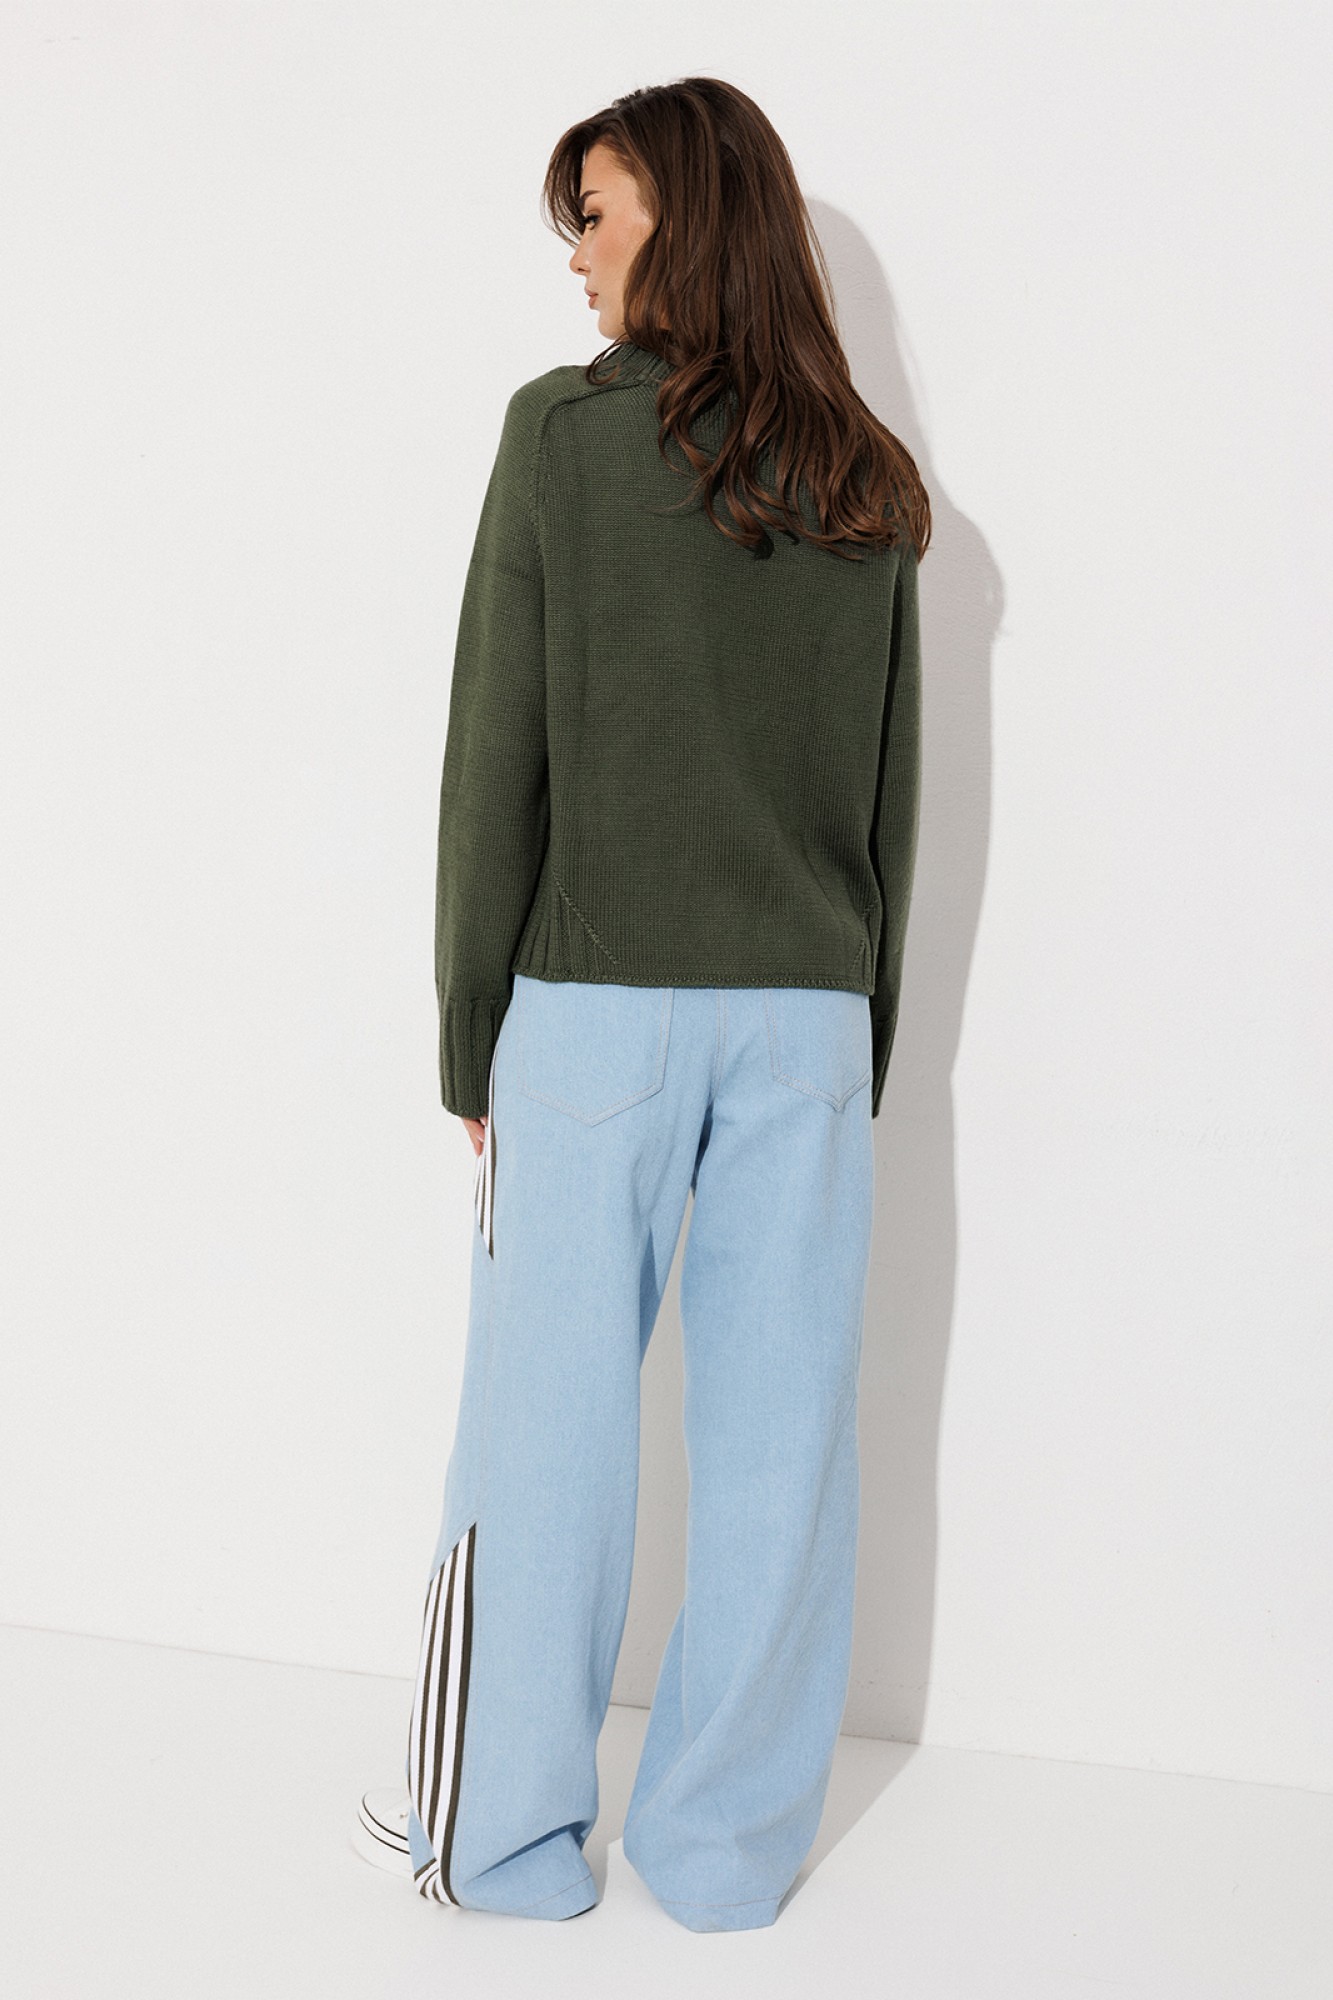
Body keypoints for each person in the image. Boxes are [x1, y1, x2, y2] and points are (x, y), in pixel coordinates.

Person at [351, 74, 928, 1933]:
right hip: (804, 1023)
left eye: (593, 217)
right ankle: (723, 1858)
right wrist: (854, 1036)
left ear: (683, 215)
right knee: (778, 1454)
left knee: (541, 1443)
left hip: (594, 1004)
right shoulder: (863, 475)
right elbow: (886, 799)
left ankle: (505, 1847)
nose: (577, 260)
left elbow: (492, 756)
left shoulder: (566, 438)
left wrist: (469, 1032)